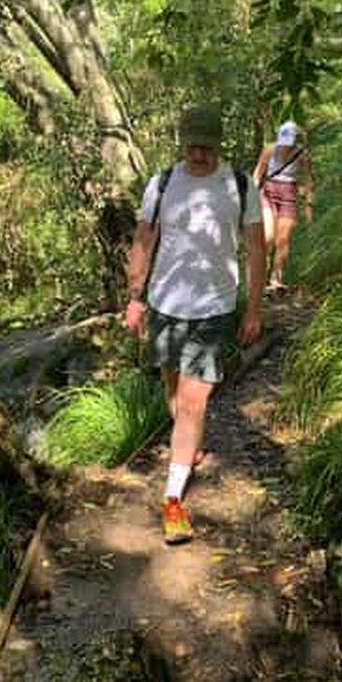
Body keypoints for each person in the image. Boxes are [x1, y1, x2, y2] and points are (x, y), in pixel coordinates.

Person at [124, 104, 266, 545]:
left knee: (191, 403)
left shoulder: (239, 185)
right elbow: (144, 240)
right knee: (172, 390)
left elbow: (256, 249)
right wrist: (135, 298)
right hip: (165, 305)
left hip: (214, 309)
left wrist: (253, 309)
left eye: (207, 147)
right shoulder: (162, 183)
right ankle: (190, 448)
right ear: (181, 144)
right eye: (192, 147)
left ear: (218, 146)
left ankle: (172, 500)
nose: (199, 155)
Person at [252, 119, 313, 292]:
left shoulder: (302, 154)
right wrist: (252, 197)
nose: (286, 146)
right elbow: (257, 174)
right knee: (267, 238)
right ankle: (260, 277)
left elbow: (308, 180)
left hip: (289, 195)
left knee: (283, 240)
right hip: (268, 192)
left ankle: (276, 280)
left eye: (289, 142)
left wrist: (308, 205)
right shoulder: (269, 150)